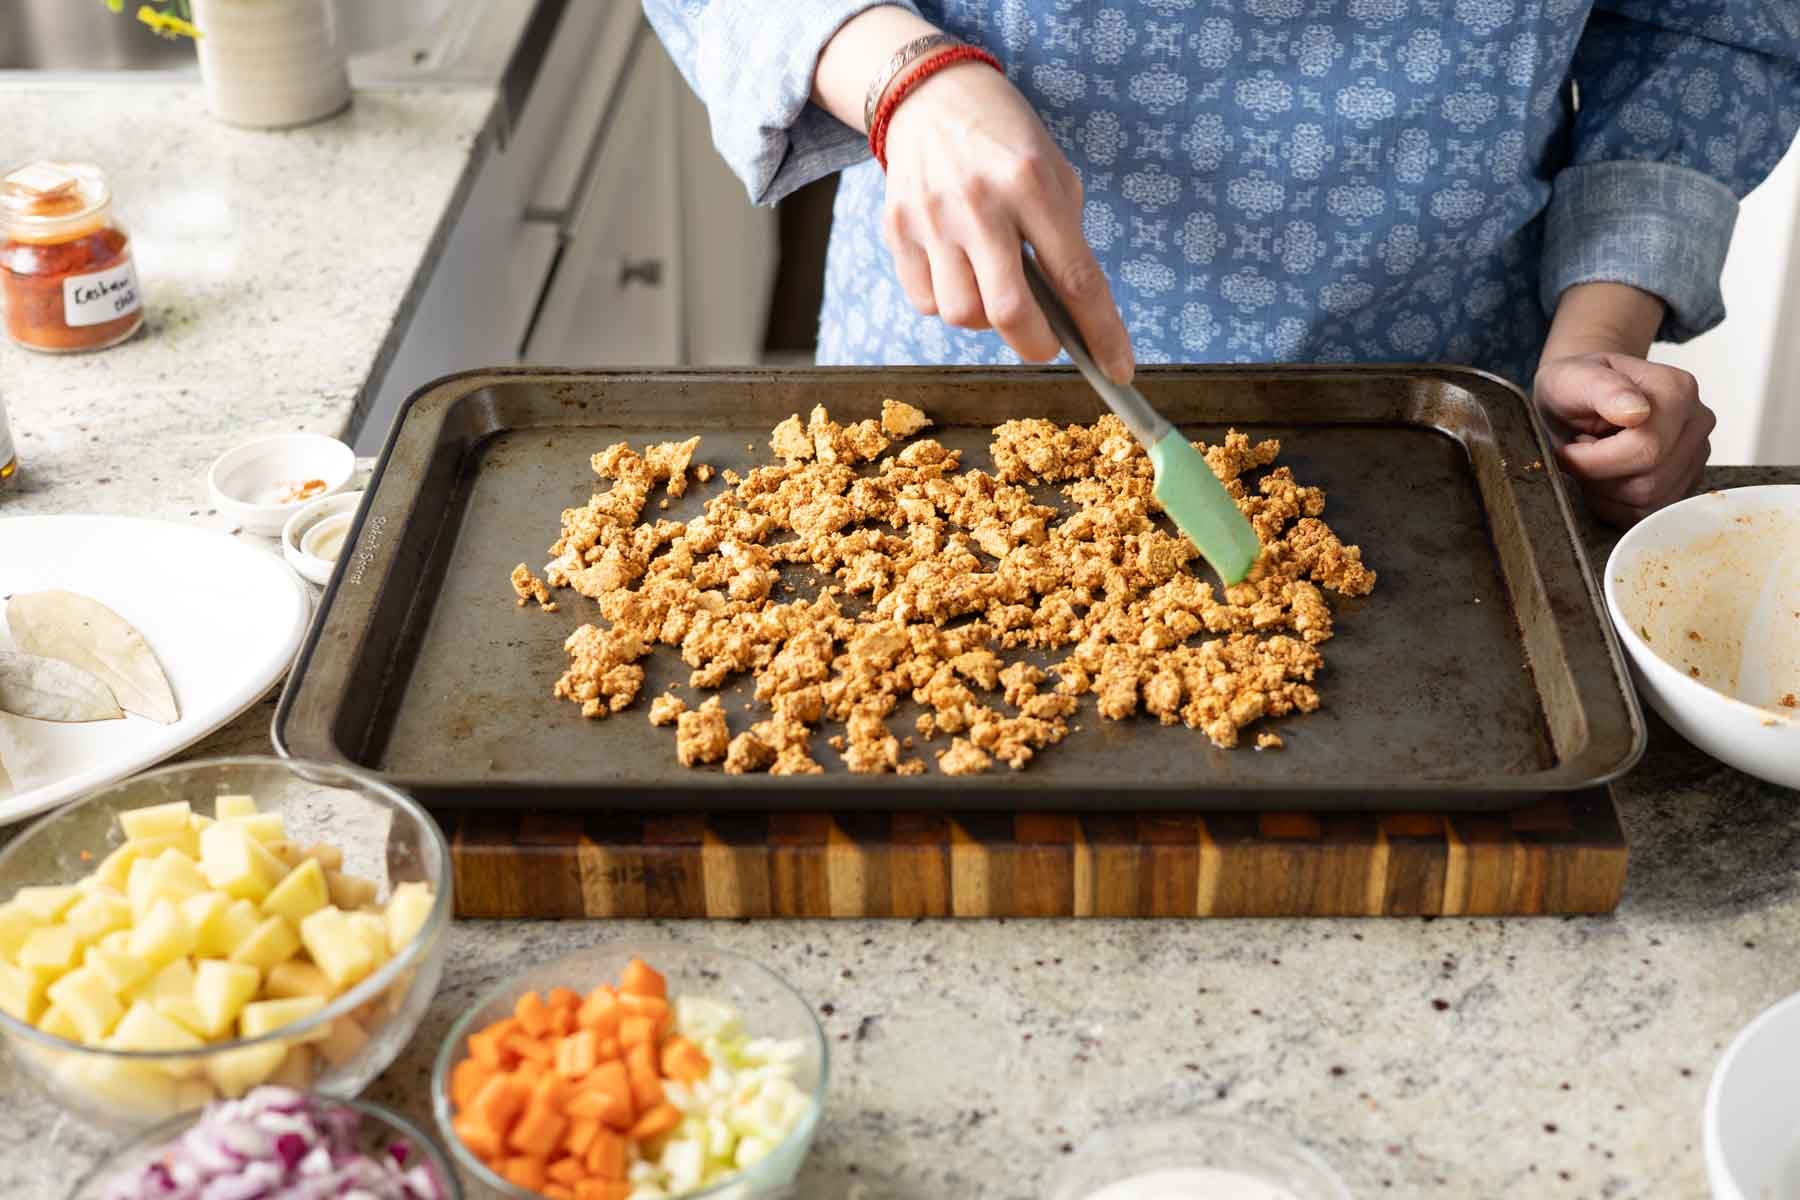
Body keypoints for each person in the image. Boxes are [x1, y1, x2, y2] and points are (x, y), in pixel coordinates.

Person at [644, 0, 1800, 526]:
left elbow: (1710, 27)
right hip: (960, 367)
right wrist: (891, 69)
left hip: (1443, 421)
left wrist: (1600, 340)